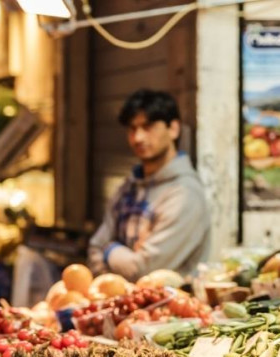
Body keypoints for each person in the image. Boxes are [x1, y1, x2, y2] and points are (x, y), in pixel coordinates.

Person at [88, 89, 210, 282]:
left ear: (174, 129)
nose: (138, 138)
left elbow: (145, 271)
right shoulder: (128, 187)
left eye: (148, 126)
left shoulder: (185, 194)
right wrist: (118, 265)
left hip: (172, 308)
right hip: (120, 303)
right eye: (132, 129)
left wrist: (110, 250)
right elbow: (94, 248)